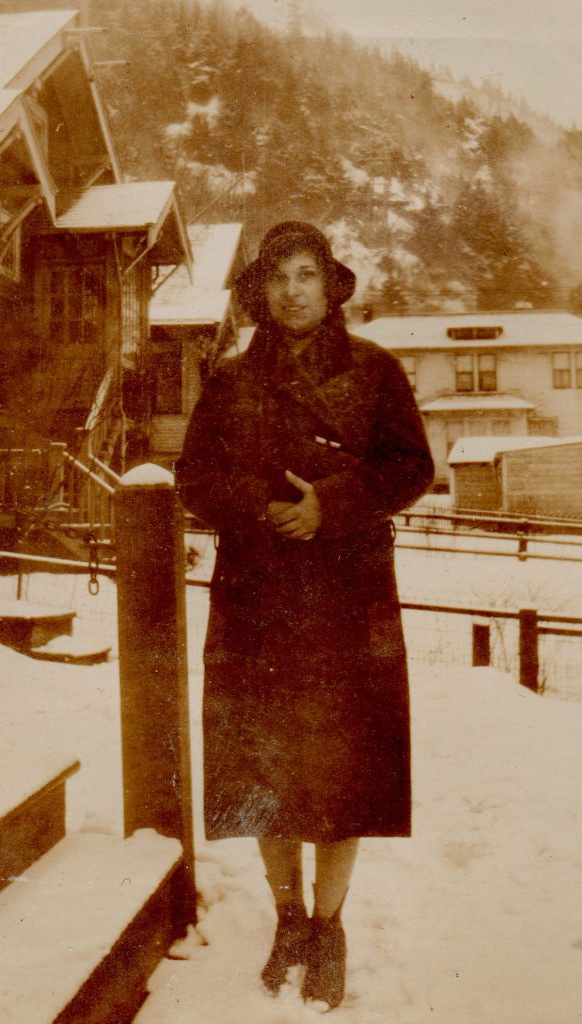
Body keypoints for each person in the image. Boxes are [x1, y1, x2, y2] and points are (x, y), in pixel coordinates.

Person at [176, 221, 434, 1009]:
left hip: (348, 596)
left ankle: (330, 925)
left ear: (330, 286)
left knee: (344, 764)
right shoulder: (227, 380)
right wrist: (262, 508)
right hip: (258, 596)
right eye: (277, 278)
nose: (292, 291)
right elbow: (195, 477)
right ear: (260, 293)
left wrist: (331, 505)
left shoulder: (374, 371)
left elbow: (411, 466)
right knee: (263, 763)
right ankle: (287, 916)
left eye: (306, 275)